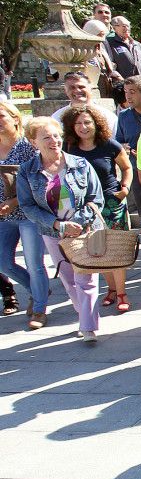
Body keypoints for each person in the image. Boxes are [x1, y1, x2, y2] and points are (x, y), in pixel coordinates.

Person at [16, 117, 105, 341]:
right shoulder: (27, 171)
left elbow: (96, 198)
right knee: (68, 278)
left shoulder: (80, 164)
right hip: (52, 232)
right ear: (33, 141)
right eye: (46, 137)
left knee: (86, 277)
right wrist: (58, 224)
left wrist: (79, 222)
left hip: (85, 230)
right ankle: (83, 312)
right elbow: (27, 205)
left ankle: (88, 327)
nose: (53, 141)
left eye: (56, 136)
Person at [62, 105, 133, 313]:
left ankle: (121, 293)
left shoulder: (108, 145)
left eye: (87, 122)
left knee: (117, 249)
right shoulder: (69, 148)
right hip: (87, 208)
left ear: (96, 124)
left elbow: (126, 167)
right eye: (78, 123)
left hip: (112, 203)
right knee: (97, 250)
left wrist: (125, 188)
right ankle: (110, 289)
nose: (83, 127)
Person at [0, 101, 48, 328]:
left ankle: (39, 309)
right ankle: (36, 289)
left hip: (29, 213)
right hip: (3, 217)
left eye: (1, 116)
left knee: (34, 262)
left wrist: (14, 201)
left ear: (15, 118)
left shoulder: (28, 148)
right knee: (3, 262)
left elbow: (40, 182)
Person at [113, 77, 141, 222]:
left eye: (132, 92)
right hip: (137, 171)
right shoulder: (124, 116)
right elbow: (119, 142)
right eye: (126, 92)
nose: (127, 96)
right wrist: (124, 148)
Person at [51, 73, 118, 132]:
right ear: (65, 91)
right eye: (72, 87)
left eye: (81, 87)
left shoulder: (107, 116)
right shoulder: (56, 118)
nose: (77, 90)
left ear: (90, 89)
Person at [104, 16, 141, 82]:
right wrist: (119, 79)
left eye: (128, 26)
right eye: (123, 26)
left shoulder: (137, 44)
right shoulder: (110, 43)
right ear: (114, 28)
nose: (126, 28)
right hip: (123, 84)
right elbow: (109, 64)